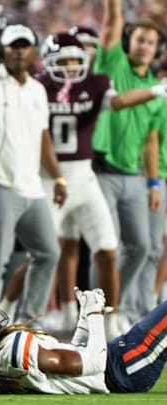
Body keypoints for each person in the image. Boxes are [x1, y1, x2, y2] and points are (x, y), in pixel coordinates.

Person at [34, 32, 167, 338]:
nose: (69, 66)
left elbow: (119, 101)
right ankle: (26, 313)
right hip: (48, 179)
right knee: (42, 253)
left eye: (73, 60)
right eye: (63, 60)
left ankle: (109, 321)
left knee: (107, 249)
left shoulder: (93, 85)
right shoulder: (37, 88)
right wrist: (55, 177)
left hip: (84, 177)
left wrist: (155, 90)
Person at [0, 24, 65, 324]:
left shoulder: (37, 89)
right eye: (13, 46)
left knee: (48, 253)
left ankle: (29, 322)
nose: (19, 51)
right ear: (1, 49)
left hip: (30, 187)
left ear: (32, 50)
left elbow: (43, 137)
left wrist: (57, 177)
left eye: (24, 45)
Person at [0, 289, 167, 394]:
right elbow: (94, 363)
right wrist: (95, 312)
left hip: (119, 366)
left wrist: (84, 319)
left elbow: (72, 361)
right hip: (124, 365)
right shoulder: (13, 349)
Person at [92, 0, 167, 325]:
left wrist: (152, 182)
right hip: (100, 170)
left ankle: (117, 307)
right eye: (139, 39)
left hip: (134, 174)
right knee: (105, 245)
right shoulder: (113, 64)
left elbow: (151, 141)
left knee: (142, 245)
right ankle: (98, 313)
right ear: (127, 41)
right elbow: (111, 20)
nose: (145, 46)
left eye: (151, 42)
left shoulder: (156, 86)